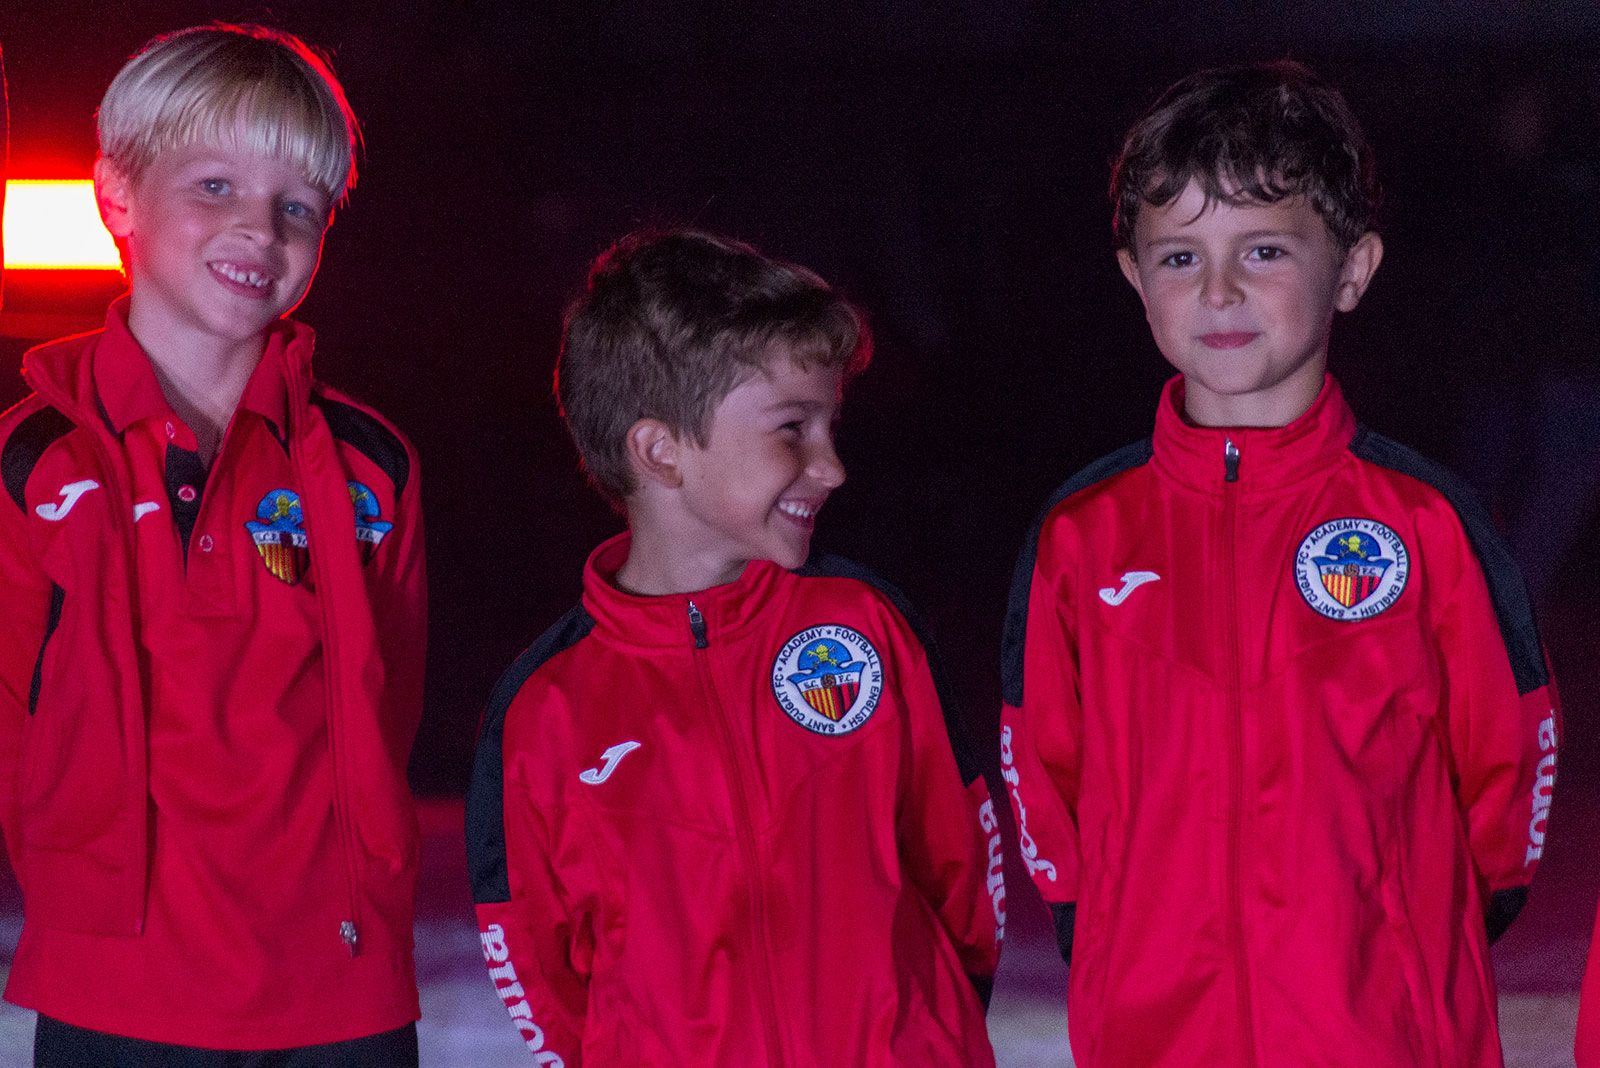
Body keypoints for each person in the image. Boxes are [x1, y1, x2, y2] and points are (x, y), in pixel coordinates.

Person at [999, 61, 1556, 1067]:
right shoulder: (1083, 536)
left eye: (1261, 249)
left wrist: (1399, 939)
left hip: (1377, 1030)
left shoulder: (1423, 524)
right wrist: (1129, 952)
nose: (1217, 291)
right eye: (1178, 257)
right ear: (1134, 275)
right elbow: (1045, 780)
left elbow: (1505, 773)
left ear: (1351, 268)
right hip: (1153, 1032)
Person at [466, 229, 1002, 1066]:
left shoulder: (862, 625)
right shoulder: (549, 708)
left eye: (830, 427)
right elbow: (544, 975)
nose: (831, 468)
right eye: (793, 428)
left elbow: (960, 872)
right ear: (660, 450)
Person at [0, 25, 426, 1065]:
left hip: (342, 990)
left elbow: (390, 703)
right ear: (117, 197)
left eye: (297, 207)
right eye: (215, 186)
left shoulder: (373, 466)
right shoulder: (33, 465)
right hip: (116, 987)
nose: (260, 230)